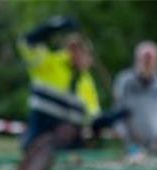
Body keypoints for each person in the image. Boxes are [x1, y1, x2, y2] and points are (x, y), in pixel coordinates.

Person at [17, 16, 101, 149]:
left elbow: (92, 113)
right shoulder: (49, 63)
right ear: (73, 50)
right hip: (40, 137)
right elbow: (27, 43)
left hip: (69, 144)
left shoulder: (86, 80)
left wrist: (101, 122)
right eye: (87, 54)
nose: (90, 60)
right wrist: (55, 26)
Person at [112, 41, 157, 153]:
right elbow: (116, 108)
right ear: (137, 60)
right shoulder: (124, 81)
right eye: (144, 59)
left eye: (151, 60)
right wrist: (121, 133)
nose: (147, 63)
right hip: (130, 144)